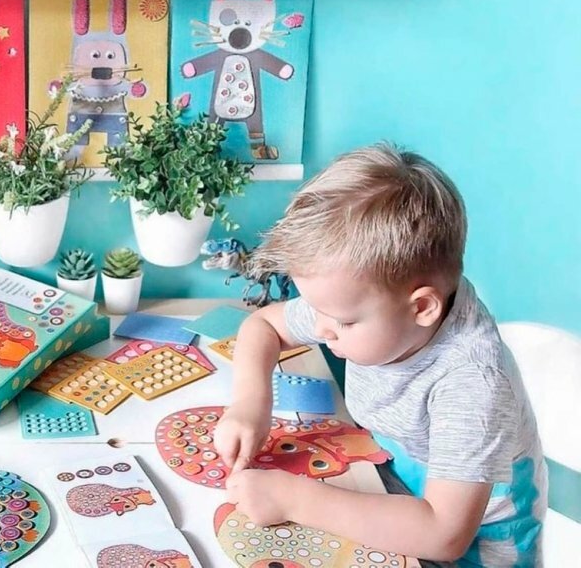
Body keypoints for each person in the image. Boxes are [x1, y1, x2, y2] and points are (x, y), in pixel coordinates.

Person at [214, 142, 547, 566]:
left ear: (422, 308)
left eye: (342, 321)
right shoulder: (376, 301)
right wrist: (250, 403)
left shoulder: (473, 384)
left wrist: (294, 500)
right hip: (397, 488)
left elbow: (443, 535)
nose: (320, 329)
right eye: (316, 309)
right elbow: (262, 325)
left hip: (470, 551)